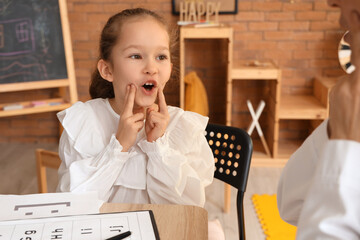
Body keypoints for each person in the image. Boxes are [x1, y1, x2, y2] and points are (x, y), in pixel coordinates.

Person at [56, 8, 215, 208]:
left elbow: (189, 210)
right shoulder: (83, 122)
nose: (151, 67)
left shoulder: (184, 127)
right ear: (107, 70)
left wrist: (158, 146)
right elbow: (71, 205)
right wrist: (119, 147)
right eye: (135, 56)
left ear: (170, 69)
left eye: (161, 57)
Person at [277, 0, 360, 238]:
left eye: (354, 24)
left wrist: (346, 143)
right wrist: (336, 132)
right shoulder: (348, 110)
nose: (331, 4)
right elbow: (289, 204)